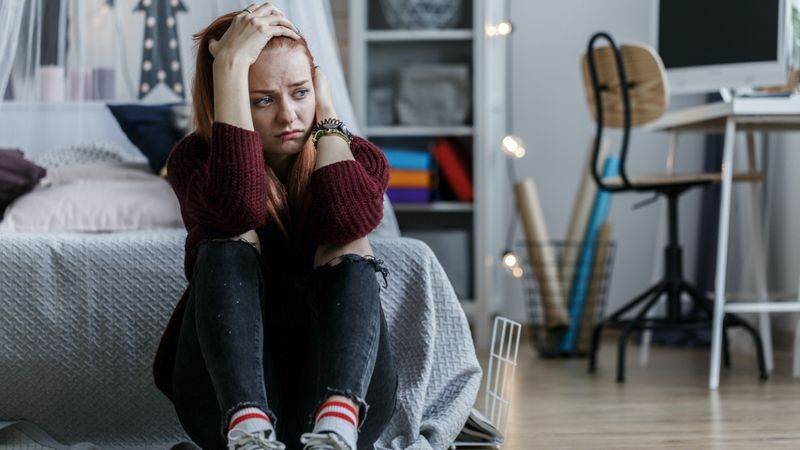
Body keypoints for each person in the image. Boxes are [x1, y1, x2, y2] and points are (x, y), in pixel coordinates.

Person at [152, 3, 398, 449]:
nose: (288, 116)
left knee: (349, 240)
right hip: (222, 404)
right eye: (262, 100)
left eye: (299, 92)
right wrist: (227, 68)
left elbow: (346, 221)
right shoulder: (193, 161)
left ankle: (336, 424)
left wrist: (326, 119)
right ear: (227, 99)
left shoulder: (358, 157)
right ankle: (248, 425)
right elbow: (235, 212)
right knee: (226, 241)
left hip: (346, 402)